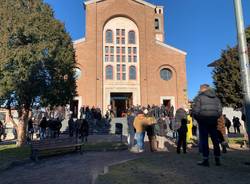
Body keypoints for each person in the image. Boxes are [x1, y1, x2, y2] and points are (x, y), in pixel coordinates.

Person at [192, 84, 222, 167]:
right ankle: (217, 159)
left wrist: (199, 119)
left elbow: (195, 111)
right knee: (215, 140)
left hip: (203, 121)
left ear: (202, 89)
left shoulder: (200, 98)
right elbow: (220, 111)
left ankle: (206, 160)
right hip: (213, 121)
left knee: (204, 140)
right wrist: (215, 117)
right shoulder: (216, 98)